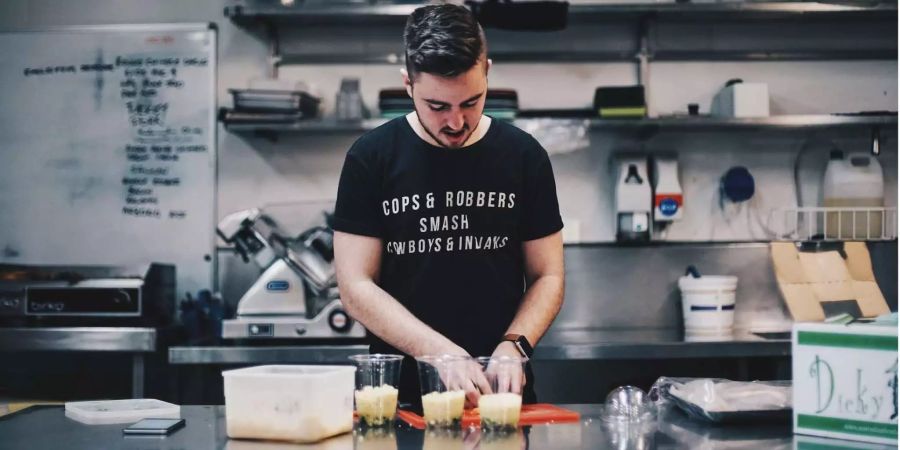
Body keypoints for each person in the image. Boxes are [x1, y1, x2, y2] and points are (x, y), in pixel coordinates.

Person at [333, 3, 564, 410]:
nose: (456, 122)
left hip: (501, 399)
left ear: (487, 71)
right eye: (437, 106)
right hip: (400, 401)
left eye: (471, 102)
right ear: (408, 84)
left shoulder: (524, 156)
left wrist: (515, 345)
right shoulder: (371, 158)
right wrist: (437, 351)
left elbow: (547, 275)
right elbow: (355, 286)